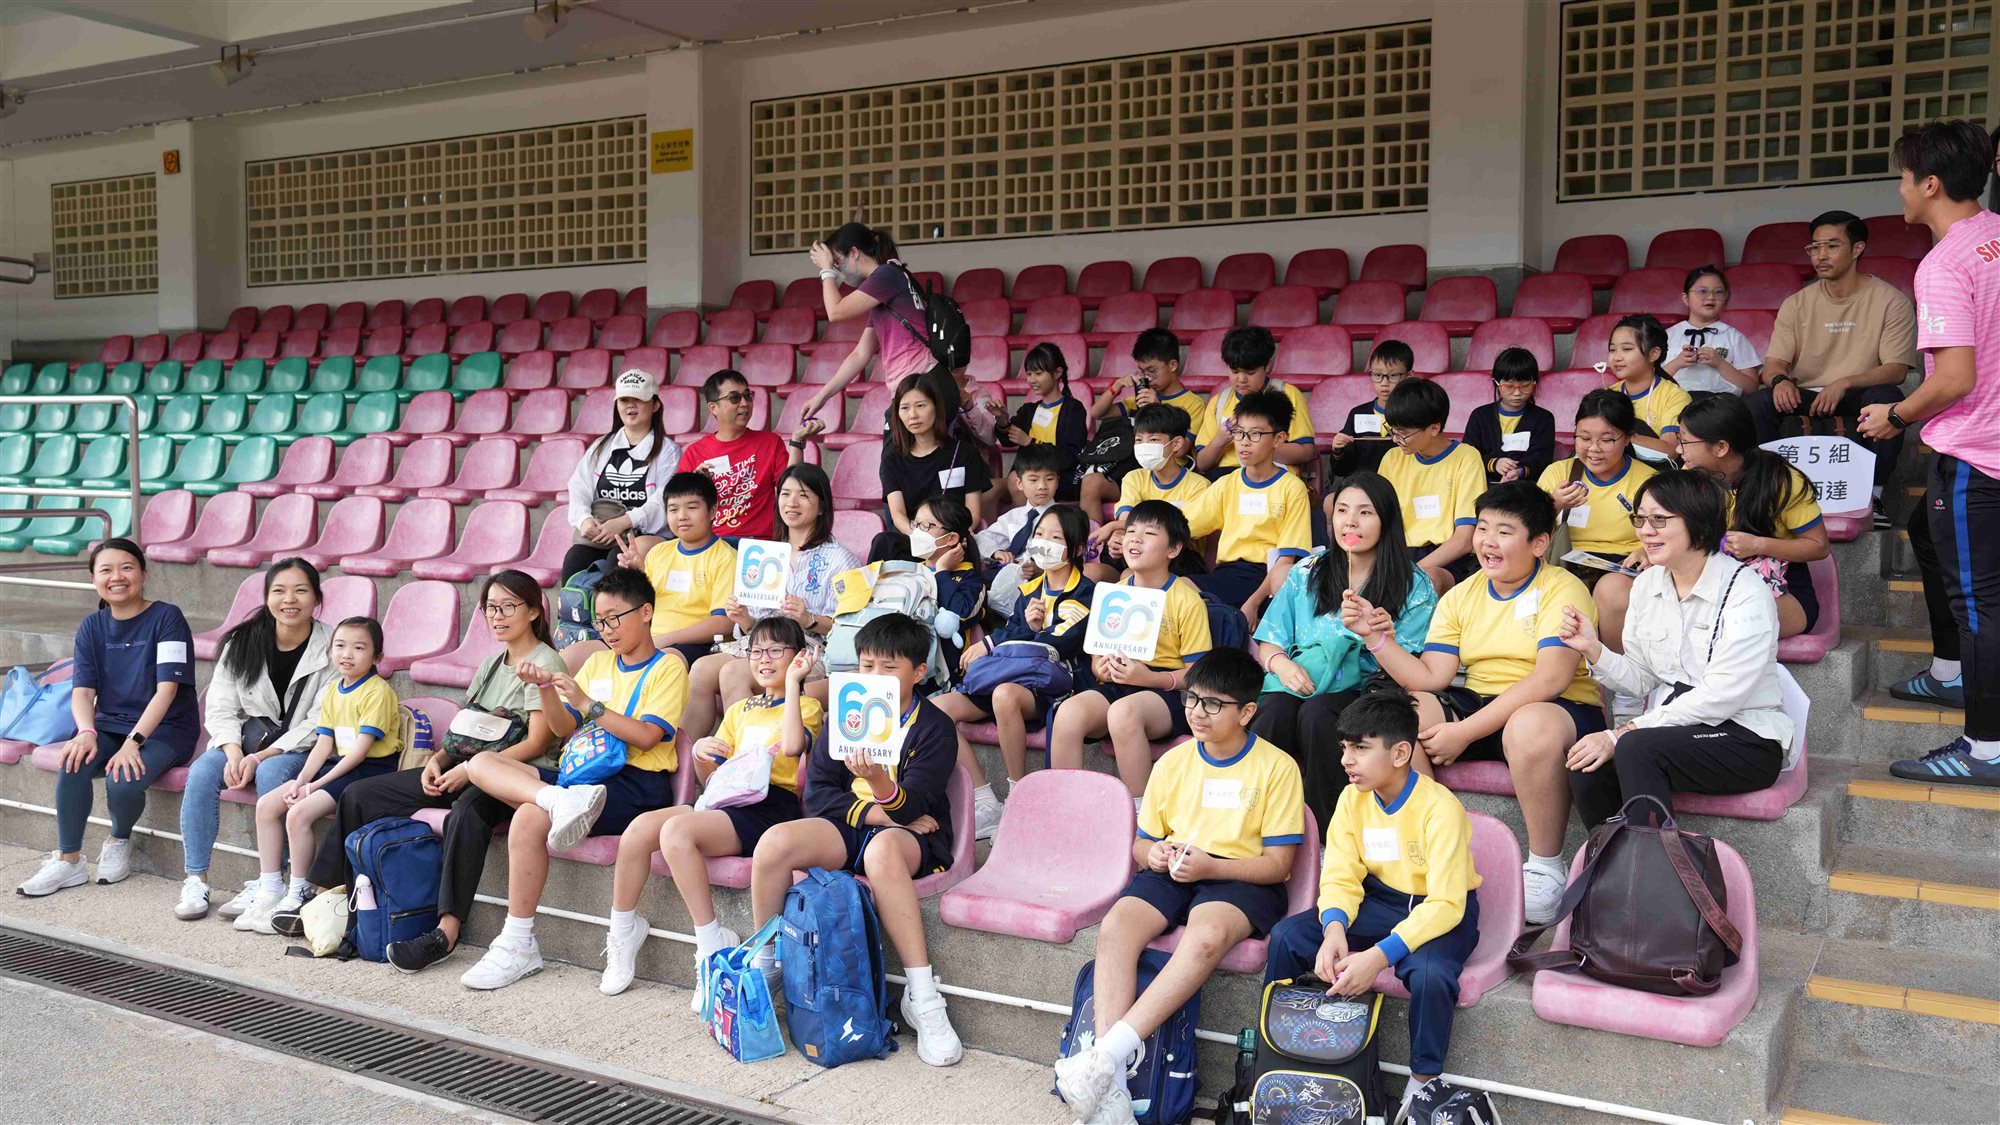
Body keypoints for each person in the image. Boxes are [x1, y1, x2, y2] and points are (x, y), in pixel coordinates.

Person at [1053, 647, 1303, 1125]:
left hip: (1238, 875)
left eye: (1213, 704)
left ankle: (1104, 1059)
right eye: (1192, 699)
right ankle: (1112, 1084)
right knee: (1117, 926)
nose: (1197, 712)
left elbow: (1277, 865)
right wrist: (1154, 855)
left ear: (1247, 712)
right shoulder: (1173, 761)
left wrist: (1212, 868)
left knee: (1206, 936)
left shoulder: (1277, 767)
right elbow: (1142, 843)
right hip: (1177, 865)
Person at [1351, 482, 1606, 924]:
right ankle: (1428, 847)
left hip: (1558, 709)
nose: (1488, 541)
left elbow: (1551, 677)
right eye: (1483, 528)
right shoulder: (1462, 594)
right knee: (1404, 714)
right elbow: (1430, 677)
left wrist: (1464, 732)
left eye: (1504, 532)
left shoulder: (1563, 588)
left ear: (1539, 543)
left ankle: (1545, 865)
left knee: (1529, 724)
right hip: (1480, 701)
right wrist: (1376, 639)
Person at [289, 571, 567, 959]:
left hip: (516, 776)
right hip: (465, 767)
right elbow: (466, 730)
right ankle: (335, 904)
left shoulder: (545, 661)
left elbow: (537, 742)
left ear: (534, 611)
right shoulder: (491, 663)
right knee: (359, 795)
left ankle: (445, 932)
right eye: (490, 608)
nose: (497, 616)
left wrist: (469, 770)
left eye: (508, 607)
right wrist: (437, 760)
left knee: (466, 812)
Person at [448, 566, 688, 990]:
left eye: (615, 618)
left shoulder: (668, 667)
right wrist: (545, 689)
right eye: (600, 621)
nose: (607, 630)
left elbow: (648, 737)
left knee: (527, 816)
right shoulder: (597, 662)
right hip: (579, 778)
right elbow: (562, 728)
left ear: (646, 612)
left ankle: (519, 941)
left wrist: (589, 704)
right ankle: (519, 938)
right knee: (481, 764)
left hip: (635, 782)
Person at [748, 613, 966, 1066]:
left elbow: (916, 804)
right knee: (774, 843)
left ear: (918, 672)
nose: (874, 676)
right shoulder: (845, 714)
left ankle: (923, 997)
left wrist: (882, 786)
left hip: (910, 841)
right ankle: (765, 966)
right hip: (858, 824)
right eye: (867, 666)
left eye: (889, 667)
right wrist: (877, 812)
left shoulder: (935, 727)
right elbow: (818, 794)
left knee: (883, 850)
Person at [1262, 686, 1481, 1116]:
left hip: (1439, 908)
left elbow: (1447, 903)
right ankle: (1278, 1052)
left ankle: (1423, 1083)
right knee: (1289, 936)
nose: (1346, 760)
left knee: (1431, 973)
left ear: (1400, 753)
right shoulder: (1352, 798)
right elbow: (1341, 874)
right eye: (1344, 747)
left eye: (1360, 748)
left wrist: (1378, 957)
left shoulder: (1440, 808)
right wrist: (1334, 928)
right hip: (1380, 899)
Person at [1859, 121, 2000, 785]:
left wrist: (1896, 415)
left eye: (1904, 177)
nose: (1900, 190)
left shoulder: (1944, 264)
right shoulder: (1995, 235)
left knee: (1980, 607)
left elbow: (1954, 379)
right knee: (1923, 531)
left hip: (1976, 455)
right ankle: (1948, 671)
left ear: (1932, 184)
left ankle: (1985, 749)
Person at [600, 615, 822, 1005]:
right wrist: (702, 753)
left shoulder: (807, 706)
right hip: (725, 800)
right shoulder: (739, 711)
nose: (764, 659)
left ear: (798, 657)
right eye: (756, 651)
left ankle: (709, 945)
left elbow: (792, 747)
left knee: (676, 832)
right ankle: (622, 932)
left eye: (775, 651)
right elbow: (713, 777)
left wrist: (792, 684)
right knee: (638, 831)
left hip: (770, 807)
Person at [1557, 469, 1796, 826]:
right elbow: (1641, 679)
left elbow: (1720, 697)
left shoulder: (1746, 593)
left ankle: (1649, 857)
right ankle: (1612, 855)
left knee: (1634, 746)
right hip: (1677, 731)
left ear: (1699, 522)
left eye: (1659, 519)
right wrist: (1593, 649)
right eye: (1640, 518)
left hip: (1746, 737)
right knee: (1587, 761)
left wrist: (1622, 733)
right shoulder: (1646, 585)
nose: (1645, 531)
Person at [1252, 473, 1437, 828]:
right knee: (1273, 711)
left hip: (1368, 689)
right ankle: (1258, 824)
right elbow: (1270, 638)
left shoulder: (1414, 585)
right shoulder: (1306, 572)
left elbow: (1410, 667)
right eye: (1342, 510)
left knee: (1319, 715)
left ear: (1386, 520)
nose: (1350, 521)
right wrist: (1282, 665)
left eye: (1365, 512)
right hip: (1302, 679)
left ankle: (1328, 833)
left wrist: (1378, 635)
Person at [16, 540, 198, 898]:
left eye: (127, 568)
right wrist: (86, 731)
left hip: (167, 727)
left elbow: (167, 691)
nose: (117, 577)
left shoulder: (167, 617)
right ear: (93, 579)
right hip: (111, 722)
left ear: (144, 573)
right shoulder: (92, 626)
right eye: (106, 570)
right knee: (72, 761)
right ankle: (69, 860)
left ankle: (118, 839)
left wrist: (134, 743)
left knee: (123, 780)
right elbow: (83, 692)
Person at [175, 558, 333, 921]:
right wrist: (233, 752)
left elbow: (321, 720)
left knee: (272, 773)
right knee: (202, 772)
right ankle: (196, 879)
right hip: (246, 741)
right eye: (279, 591)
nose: (289, 599)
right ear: (266, 597)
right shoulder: (241, 642)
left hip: (303, 746)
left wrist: (261, 757)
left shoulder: (331, 646)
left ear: (316, 598)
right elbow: (220, 706)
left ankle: (269, 881)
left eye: (300, 590)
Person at [934, 504, 1095, 837]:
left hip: (1052, 686)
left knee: (1004, 695)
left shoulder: (1085, 593)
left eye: (1056, 537)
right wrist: (1012, 635)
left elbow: (1062, 643)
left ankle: (1019, 793)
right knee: (939, 709)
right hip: (1011, 674)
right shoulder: (1029, 589)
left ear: (1078, 548)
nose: (1044, 542)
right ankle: (984, 800)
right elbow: (1014, 631)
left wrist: (1005, 638)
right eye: (1040, 534)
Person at [236, 616, 403, 933]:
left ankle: (298, 894)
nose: (347, 654)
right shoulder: (333, 691)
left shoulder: (377, 692)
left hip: (369, 771)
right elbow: (324, 745)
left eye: (359, 648)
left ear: (377, 657)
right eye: (340, 645)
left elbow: (360, 752)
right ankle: (270, 889)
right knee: (267, 806)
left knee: (298, 814)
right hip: (338, 766)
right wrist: (301, 780)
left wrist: (315, 787)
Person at [1750, 210, 1919, 512]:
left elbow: (1896, 370)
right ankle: (1772, 490)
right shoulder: (1796, 303)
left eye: (1831, 245)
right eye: (1814, 247)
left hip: (1858, 394)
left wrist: (1845, 382)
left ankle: (1873, 496)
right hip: (1806, 395)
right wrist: (1780, 380)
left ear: (1857, 249)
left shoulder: (1891, 301)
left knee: (1888, 398)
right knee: (1757, 403)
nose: (1821, 255)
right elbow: (1774, 363)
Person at [682, 464, 858, 742]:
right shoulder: (765, 553)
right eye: (785, 494)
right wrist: (743, 618)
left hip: (807, 650)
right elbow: (752, 626)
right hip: (760, 644)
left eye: (803, 495)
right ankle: (683, 759)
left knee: (733, 672)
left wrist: (809, 619)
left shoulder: (841, 559)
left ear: (822, 506)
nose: (791, 502)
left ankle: (744, 756)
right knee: (702, 668)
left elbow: (850, 628)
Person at [1050, 501, 1214, 799]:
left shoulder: (1187, 600)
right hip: (1121, 682)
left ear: (1174, 549)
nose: (1135, 539)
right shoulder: (1116, 592)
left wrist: (1149, 678)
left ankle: (1140, 812)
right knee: (1069, 713)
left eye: (1149, 533)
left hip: (1167, 691)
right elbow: (1099, 653)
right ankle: (1067, 805)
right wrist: (1101, 666)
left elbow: (1198, 674)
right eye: (1131, 531)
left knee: (1123, 713)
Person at [1675, 395, 1829, 639]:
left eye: (1685, 441)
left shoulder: (1781, 481)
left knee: (1715, 623)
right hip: (1711, 582)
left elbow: (1819, 547)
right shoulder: (1691, 476)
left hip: (1781, 591)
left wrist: (1758, 545)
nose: (1678, 450)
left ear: (1721, 447)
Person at [797, 223, 962, 437]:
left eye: (837, 262)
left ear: (854, 253)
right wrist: (821, 397)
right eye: (834, 266)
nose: (838, 270)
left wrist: (826, 271)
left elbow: (835, 312)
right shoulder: (885, 286)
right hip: (918, 385)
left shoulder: (886, 275)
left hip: (923, 384)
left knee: (900, 457)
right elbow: (860, 354)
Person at [576, 472, 735, 674]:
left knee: (658, 663)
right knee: (573, 656)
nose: (682, 516)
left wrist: (666, 638)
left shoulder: (726, 558)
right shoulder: (658, 552)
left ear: (712, 511)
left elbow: (723, 623)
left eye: (692, 508)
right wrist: (637, 575)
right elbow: (640, 606)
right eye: (673, 509)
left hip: (691, 645)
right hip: (643, 637)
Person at [1180, 389, 1312, 624]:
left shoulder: (1292, 488)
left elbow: (1286, 561)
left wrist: (1253, 602)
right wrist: (1122, 528)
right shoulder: (1227, 483)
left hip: (1267, 577)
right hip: (1228, 574)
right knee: (1175, 589)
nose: (1244, 442)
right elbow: (1183, 524)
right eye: (1239, 433)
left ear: (1279, 439)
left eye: (1255, 434)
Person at [1537, 389, 1655, 652]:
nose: (1593, 449)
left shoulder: (1648, 481)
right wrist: (1553, 504)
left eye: (1606, 440)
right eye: (1584, 438)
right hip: (1565, 560)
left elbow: (1667, 531)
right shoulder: (1558, 473)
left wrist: (1647, 551)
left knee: (1611, 590)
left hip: (1624, 566)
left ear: (1629, 438)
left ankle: (1619, 671)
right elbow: (1526, 531)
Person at [1079, 328, 1216, 518]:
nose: (1147, 378)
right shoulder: (1140, 398)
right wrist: (1117, 386)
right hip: (1135, 475)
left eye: (1152, 371)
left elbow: (1182, 449)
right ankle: (1091, 537)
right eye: (1142, 371)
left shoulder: (1193, 403)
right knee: (1090, 482)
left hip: (1170, 476)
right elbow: (1097, 413)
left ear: (1173, 365)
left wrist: (1158, 407)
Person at [562, 369, 681, 582]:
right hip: (602, 534)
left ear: (655, 405)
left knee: (618, 563)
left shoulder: (668, 451)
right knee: (575, 560)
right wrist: (584, 519)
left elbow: (665, 499)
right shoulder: (601, 446)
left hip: (643, 536)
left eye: (638, 399)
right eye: (624, 400)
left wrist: (625, 521)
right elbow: (579, 486)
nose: (630, 406)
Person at [1375, 378, 1485, 593]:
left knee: (1426, 581)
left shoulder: (1466, 458)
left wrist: (1412, 572)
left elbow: (1464, 539)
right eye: (1392, 430)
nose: (1396, 439)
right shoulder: (1392, 459)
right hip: (1398, 553)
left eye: (1403, 433)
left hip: (1446, 558)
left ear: (1434, 428)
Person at [1084, 402, 1210, 582]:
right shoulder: (1134, 478)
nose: (1144, 446)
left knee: (1130, 575)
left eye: (1153, 440)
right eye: (1139, 440)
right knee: (1090, 572)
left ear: (1176, 443)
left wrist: (1112, 527)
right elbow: (1127, 520)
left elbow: (1178, 532)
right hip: (1136, 554)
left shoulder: (1199, 485)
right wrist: (1119, 537)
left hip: (1179, 559)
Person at [674, 369, 799, 542]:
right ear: (713, 408)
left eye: (748, 396)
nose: (745, 403)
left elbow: (793, 487)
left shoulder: (770, 443)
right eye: (734, 398)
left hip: (759, 543)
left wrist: (797, 443)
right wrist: (697, 484)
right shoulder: (695, 452)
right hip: (713, 543)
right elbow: (681, 507)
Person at [880, 371, 993, 532]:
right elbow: (898, 516)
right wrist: (920, 538)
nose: (913, 415)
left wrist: (949, 538)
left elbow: (973, 514)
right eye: (905, 408)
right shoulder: (893, 461)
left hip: (954, 538)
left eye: (920, 406)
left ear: (937, 407)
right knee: (882, 541)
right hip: (912, 538)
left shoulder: (965, 454)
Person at [1193, 326, 1315, 476]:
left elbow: (1306, 452)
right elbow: (1203, 464)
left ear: (1267, 366)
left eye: (1250, 372)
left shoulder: (1288, 394)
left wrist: (1260, 446)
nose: (1241, 379)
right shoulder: (1219, 403)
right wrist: (1220, 440)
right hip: (1227, 478)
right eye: (1234, 371)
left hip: (1273, 477)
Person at [975, 442, 1067, 619]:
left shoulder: (1064, 518)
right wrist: (996, 552)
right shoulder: (1013, 517)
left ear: (1058, 481)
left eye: (1049, 479)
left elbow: (1072, 555)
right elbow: (981, 538)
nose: (1042, 486)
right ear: (1019, 483)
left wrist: (1040, 568)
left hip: (1042, 585)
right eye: (1033, 480)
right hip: (1007, 582)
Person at [908, 495, 988, 684]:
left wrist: (942, 572)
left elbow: (958, 615)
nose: (917, 532)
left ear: (951, 538)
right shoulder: (911, 571)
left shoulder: (971, 579)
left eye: (926, 526)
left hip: (947, 679)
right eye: (916, 524)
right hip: (907, 669)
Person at [998, 342, 1088, 501]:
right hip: (1026, 475)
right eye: (1029, 374)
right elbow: (1006, 440)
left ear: (1057, 372)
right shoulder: (1029, 410)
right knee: (988, 489)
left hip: (1058, 478)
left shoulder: (1073, 409)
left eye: (1038, 373)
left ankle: (1027, 518)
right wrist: (1002, 420)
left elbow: (1070, 456)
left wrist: (1030, 442)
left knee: (1015, 481)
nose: (1032, 380)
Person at [1664, 265, 1763, 397]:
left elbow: (1751, 387)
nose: (1711, 297)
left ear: (1726, 297)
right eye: (1702, 291)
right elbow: (1648, 383)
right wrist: (1676, 363)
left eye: (1718, 292)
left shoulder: (1734, 337)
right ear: (1685, 298)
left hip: (1721, 403)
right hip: (1675, 402)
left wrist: (1721, 364)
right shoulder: (1667, 336)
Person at [1463, 347, 1556, 483]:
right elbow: (1468, 454)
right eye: (1509, 387)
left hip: (1525, 486)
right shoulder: (1480, 416)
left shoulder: (1543, 418)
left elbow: (1542, 458)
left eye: (1525, 386)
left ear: (1535, 383)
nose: (1517, 393)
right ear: (1496, 382)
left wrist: (1520, 471)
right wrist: (1494, 463)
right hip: (1484, 484)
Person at [1603, 314, 1689, 462]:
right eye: (1612, 349)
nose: (1616, 357)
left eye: (1627, 349)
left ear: (1653, 354)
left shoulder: (1674, 396)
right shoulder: (1609, 394)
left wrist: (1617, 435)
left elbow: (1670, 451)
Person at [1327, 340, 1414, 479]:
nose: (1384, 383)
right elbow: (1342, 470)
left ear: (1409, 376)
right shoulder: (1358, 414)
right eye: (1377, 375)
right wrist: (1338, 452)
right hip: (1363, 486)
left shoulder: (1415, 415)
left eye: (1393, 376)